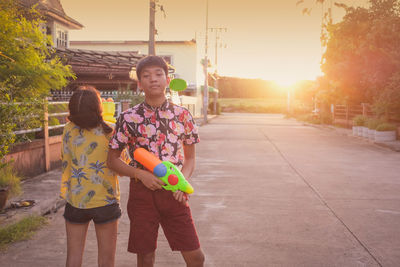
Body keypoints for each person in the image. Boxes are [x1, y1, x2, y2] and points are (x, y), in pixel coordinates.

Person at [107, 55, 205, 267]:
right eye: (147, 76)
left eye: (159, 74)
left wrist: (183, 184)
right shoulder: (128, 117)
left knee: (196, 257)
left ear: (167, 80)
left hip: (175, 193)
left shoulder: (183, 116)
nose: (153, 79)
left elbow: (190, 159)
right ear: (140, 83)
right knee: (146, 257)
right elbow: (112, 161)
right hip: (142, 195)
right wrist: (140, 174)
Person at [60, 86, 121, 267]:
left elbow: (65, 158)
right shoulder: (110, 130)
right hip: (106, 201)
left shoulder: (68, 130)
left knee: (73, 257)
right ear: (98, 107)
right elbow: (120, 164)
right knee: (106, 260)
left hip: (76, 200)